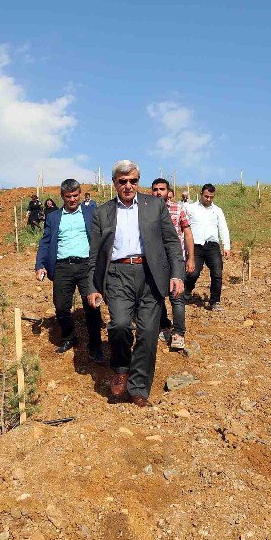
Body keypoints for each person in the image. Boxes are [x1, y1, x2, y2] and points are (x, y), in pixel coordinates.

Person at [86, 160, 185, 407]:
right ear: (114, 183)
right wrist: (92, 286)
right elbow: (95, 253)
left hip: (151, 274)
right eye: (123, 181)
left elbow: (172, 242)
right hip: (118, 275)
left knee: (148, 333)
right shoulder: (102, 212)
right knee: (119, 325)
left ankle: (138, 388)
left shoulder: (155, 206)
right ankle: (121, 367)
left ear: (138, 181)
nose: (128, 186)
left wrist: (177, 274)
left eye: (133, 181)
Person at [35, 179, 104, 361]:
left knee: (91, 306)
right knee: (61, 307)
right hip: (62, 266)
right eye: (68, 196)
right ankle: (69, 336)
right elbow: (45, 242)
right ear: (62, 197)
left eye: (75, 195)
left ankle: (95, 345)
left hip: (86, 266)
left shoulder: (92, 213)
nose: (72, 199)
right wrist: (40, 265)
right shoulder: (53, 217)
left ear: (80, 194)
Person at [150, 178, 195, 350]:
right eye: (155, 189)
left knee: (177, 296)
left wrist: (191, 258)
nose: (158, 192)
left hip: (175, 259)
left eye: (162, 189)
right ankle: (164, 326)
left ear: (168, 191)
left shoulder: (179, 208)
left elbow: (188, 234)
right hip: (155, 261)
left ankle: (179, 333)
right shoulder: (146, 210)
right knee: (156, 296)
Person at [184, 183, 231, 312]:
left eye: (211, 197)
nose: (208, 199)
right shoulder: (191, 208)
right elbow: (181, 214)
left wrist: (226, 246)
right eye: (206, 196)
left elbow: (223, 228)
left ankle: (214, 301)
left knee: (217, 273)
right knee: (192, 272)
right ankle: (186, 292)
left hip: (212, 245)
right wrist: (184, 199)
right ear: (201, 195)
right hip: (196, 245)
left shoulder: (217, 210)